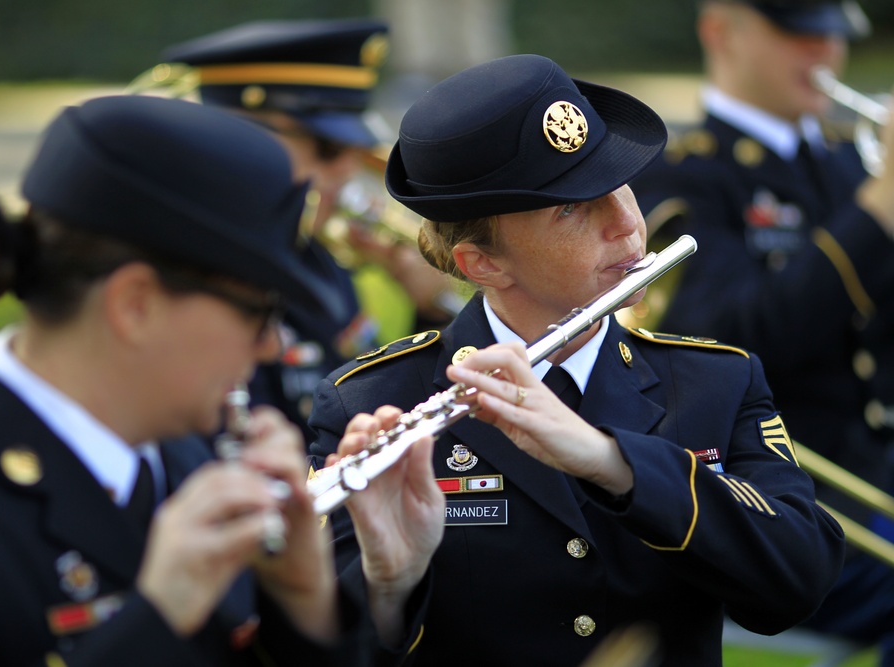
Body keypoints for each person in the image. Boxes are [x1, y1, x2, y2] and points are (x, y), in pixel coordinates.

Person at [307, 53, 847, 667]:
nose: (627, 224)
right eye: (572, 207)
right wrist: (387, 583)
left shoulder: (713, 381)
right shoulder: (371, 401)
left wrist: (615, 462)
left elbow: (799, 582)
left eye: (622, 186)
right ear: (484, 263)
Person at [0, 94, 375, 666]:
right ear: (136, 305)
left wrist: (305, 604)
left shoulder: (197, 460)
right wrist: (160, 615)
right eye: (258, 310)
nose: (271, 344)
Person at [629, 0, 894, 658]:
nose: (824, 53)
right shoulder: (679, 172)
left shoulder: (847, 161)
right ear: (720, 29)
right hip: (786, 492)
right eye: (798, 33)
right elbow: (731, 339)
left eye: (832, 36)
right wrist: (877, 212)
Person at [150, 18, 463, 443]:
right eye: (328, 148)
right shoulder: (185, 274)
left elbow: (365, 405)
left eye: (354, 151)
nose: (348, 171)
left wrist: (429, 311)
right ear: (238, 136)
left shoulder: (314, 258)